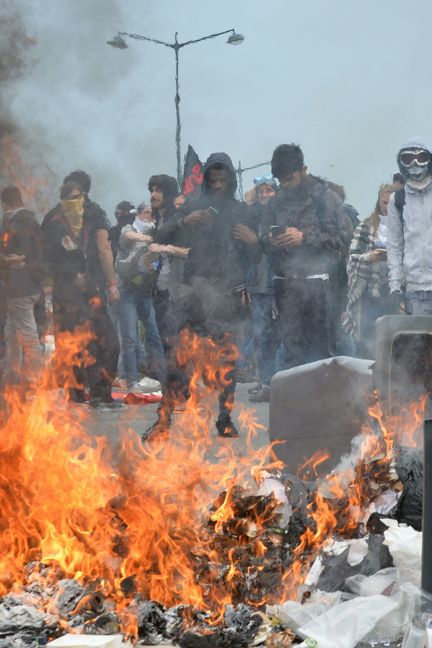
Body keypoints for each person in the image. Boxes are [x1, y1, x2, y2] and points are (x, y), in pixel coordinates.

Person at [146, 152, 251, 440]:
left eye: (223, 180)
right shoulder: (191, 207)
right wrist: (184, 222)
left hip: (227, 296)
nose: (218, 185)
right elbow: (160, 237)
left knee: (227, 361)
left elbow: (254, 256)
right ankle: (163, 421)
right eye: (213, 180)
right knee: (178, 359)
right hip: (194, 296)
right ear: (205, 180)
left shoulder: (241, 211)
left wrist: (253, 242)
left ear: (230, 179)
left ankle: (225, 418)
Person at [262, 144, 351, 370]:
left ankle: (323, 403)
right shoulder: (276, 202)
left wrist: (304, 237)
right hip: (286, 288)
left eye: (289, 178)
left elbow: (342, 238)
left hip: (321, 290)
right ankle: (294, 403)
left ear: (303, 169)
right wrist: (270, 240)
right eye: (280, 180)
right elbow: (263, 237)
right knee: (292, 356)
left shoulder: (326, 198)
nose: (284, 185)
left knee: (321, 356)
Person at [42, 178, 121, 409]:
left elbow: (103, 249)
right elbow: (45, 259)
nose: (73, 203)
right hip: (71, 294)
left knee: (94, 341)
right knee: (80, 343)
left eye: (76, 197)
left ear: (84, 195)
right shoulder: (54, 221)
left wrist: (108, 283)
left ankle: (90, 394)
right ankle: (85, 394)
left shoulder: (92, 215)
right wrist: (71, 276)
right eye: (68, 198)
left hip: (86, 290)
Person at [234, 174, 279, 402]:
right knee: (261, 335)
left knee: (278, 336)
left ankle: (276, 382)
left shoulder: (282, 215)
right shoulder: (252, 219)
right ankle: (265, 381)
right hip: (259, 286)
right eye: (262, 191)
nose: (265, 195)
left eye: (269, 190)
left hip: (281, 286)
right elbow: (243, 255)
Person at [343, 183, 398, 358]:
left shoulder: (405, 227)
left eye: (392, 203)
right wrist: (369, 257)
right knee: (367, 344)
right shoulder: (366, 226)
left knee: (394, 345)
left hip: (395, 296)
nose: (388, 206)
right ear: (379, 202)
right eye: (384, 202)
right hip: (369, 297)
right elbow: (352, 258)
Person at [0, 186, 44, 387]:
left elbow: (4, 257)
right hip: (34, 285)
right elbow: (41, 252)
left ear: (5, 204)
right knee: (12, 330)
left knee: (26, 332)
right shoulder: (33, 222)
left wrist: (9, 261)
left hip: (18, 287)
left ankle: (33, 377)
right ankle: (11, 373)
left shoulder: (9, 225)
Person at [387, 138, 432, 316]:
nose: (415, 164)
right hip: (415, 291)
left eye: (421, 157)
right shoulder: (397, 200)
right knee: (422, 343)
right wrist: (395, 287)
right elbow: (395, 246)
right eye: (408, 159)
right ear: (401, 163)